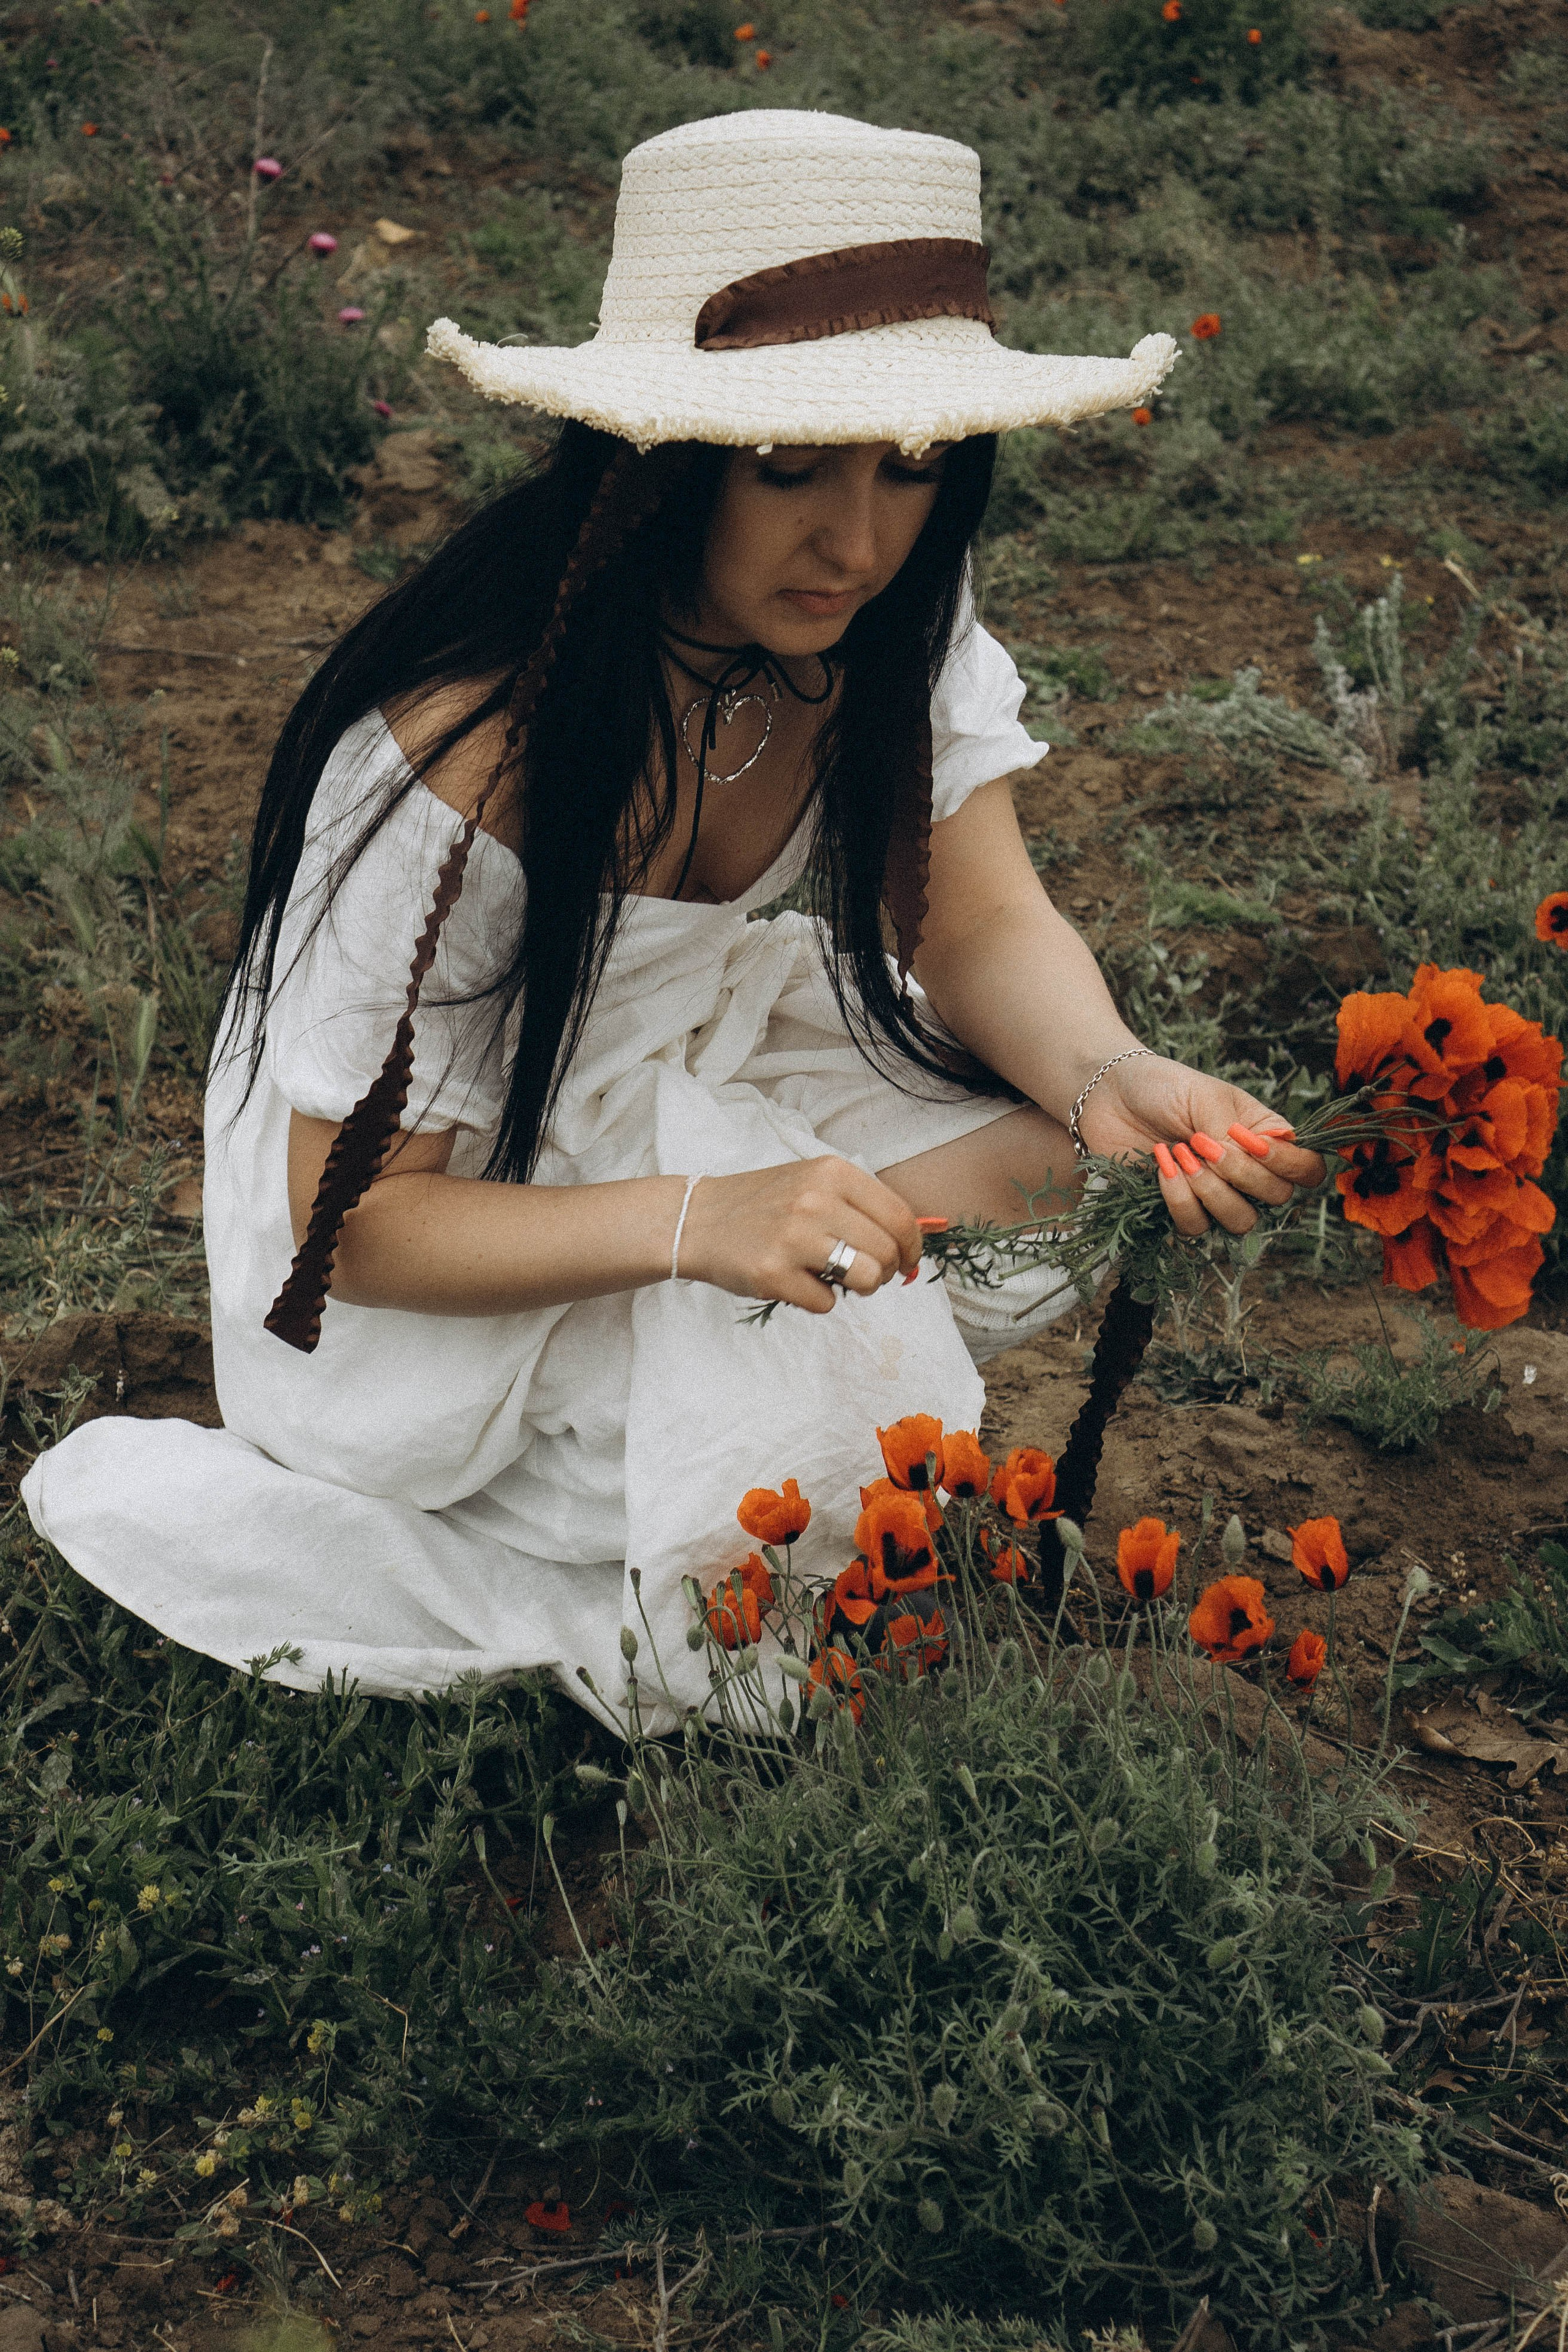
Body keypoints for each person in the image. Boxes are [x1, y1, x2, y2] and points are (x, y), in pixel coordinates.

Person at [22, 108, 1324, 1732]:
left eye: (913, 467)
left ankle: (841, 1247)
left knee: (1075, 1170)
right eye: (791, 469)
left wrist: (1099, 1071)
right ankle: (709, 1368)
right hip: (437, 1230)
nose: (857, 538)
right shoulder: (476, 753)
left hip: (693, 1053)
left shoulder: (880, 618)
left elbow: (977, 916)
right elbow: (353, 1224)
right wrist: (703, 1221)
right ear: (656, 462)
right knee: (747, 1442)